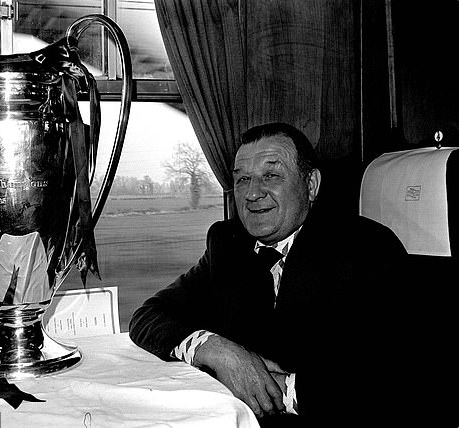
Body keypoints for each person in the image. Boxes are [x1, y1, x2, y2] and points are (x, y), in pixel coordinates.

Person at [129, 122, 414, 427]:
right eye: (242, 179)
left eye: (271, 176)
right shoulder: (228, 244)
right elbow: (148, 316)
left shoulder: (369, 250)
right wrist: (216, 350)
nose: (252, 193)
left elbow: (390, 379)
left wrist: (273, 389)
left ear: (311, 185)